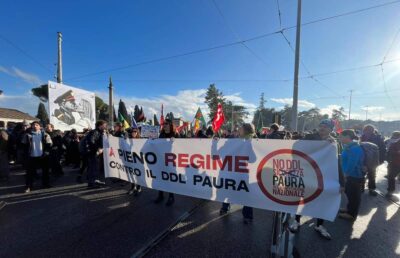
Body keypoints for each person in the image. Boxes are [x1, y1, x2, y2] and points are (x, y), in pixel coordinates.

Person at [290, 119, 344, 240]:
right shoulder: (309, 137)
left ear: (331, 129)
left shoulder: (335, 143)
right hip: (307, 174)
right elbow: (295, 147)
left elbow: (337, 163)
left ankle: (319, 225)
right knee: (302, 198)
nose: (322, 128)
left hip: (325, 176)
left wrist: (341, 182)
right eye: (321, 125)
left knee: (323, 200)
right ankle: (296, 221)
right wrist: (320, 143)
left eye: (325, 126)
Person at [219, 123, 256, 224]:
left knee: (244, 193)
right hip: (231, 170)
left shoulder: (252, 142)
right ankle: (225, 207)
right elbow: (222, 152)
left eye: (241, 128)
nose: (238, 129)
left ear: (246, 130)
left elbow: (253, 159)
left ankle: (247, 215)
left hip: (242, 172)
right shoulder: (232, 139)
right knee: (229, 188)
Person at [338, 130, 365, 220]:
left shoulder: (354, 148)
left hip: (354, 176)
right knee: (349, 194)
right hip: (350, 175)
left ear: (348, 137)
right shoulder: (349, 146)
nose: (339, 138)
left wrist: (345, 174)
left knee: (354, 196)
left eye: (341, 136)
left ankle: (351, 214)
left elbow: (352, 163)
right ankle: (348, 209)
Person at [22, 121, 53, 193]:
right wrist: (26, 154)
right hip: (31, 156)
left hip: (43, 156)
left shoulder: (45, 135)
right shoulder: (27, 135)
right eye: (33, 125)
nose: (35, 126)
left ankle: (45, 184)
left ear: (40, 127)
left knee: (45, 171)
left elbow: (50, 144)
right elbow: (23, 145)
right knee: (29, 173)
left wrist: (46, 152)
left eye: (37, 125)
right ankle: (28, 186)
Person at [154, 119, 179, 206]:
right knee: (161, 178)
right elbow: (157, 145)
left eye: (166, 124)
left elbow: (183, 145)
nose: (164, 125)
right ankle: (160, 195)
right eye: (163, 124)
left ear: (170, 125)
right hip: (161, 160)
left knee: (169, 179)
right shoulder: (161, 134)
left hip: (171, 161)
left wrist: (175, 140)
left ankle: (171, 197)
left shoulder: (175, 134)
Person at [360, 124, 386, 196]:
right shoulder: (362, 137)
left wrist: (381, 160)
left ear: (372, 131)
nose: (367, 132)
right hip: (363, 159)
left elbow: (383, 149)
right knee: (362, 174)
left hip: (373, 160)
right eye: (366, 130)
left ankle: (371, 189)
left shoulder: (378, 138)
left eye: (369, 130)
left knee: (372, 175)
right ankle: (361, 187)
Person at [87, 120, 107, 189]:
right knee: (93, 168)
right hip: (93, 153)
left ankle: (95, 180)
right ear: (100, 125)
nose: (105, 126)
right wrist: (98, 148)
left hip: (96, 153)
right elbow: (91, 141)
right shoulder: (95, 132)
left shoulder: (100, 132)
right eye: (104, 125)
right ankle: (91, 183)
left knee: (96, 167)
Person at [127, 127, 142, 196]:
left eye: (135, 132)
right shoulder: (128, 140)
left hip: (138, 160)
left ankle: (139, 187)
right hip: (131, 160)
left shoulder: (140, 140)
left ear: (137, 133)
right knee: (132, 174)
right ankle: (133, 187)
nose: (134, 133)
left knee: (138, 174)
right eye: (133, 132)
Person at [386, 131, 400, 202]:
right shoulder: (393, 143)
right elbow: (389, 151)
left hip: (395, 163)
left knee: (391, 177)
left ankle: (390, 191)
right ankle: (390, 191)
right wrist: (397, 152)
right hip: (394, 163)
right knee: (391, 177)